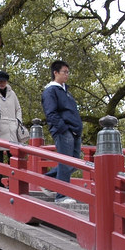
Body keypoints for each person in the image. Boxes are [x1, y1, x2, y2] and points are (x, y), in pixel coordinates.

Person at [40, 59, 82, 204]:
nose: (67, 75)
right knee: (65, 162)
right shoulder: (50, 91)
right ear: (55, 73)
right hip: (64, 131)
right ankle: (61, 195)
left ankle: (47, 180)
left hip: (74, 130)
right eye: (64, 72)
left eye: (68, 72)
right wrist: (64, 129)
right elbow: (51, 113)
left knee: (75, 162)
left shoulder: (66, 92)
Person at [0, 70, 27, 183]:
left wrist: (18, 121)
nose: (2, 83)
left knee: (14, 157)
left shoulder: (12, 93)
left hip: (12, 128)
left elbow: (18, 109)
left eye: (4, 81)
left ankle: (14, 182)